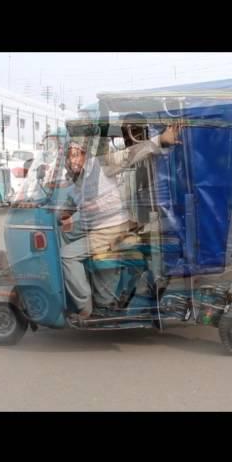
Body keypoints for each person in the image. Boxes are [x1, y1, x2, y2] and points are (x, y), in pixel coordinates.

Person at [60, 116, 182, 320]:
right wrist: (54, 213)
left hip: (111, 227)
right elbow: (70, 203)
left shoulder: (102, 164)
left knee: (66, 256)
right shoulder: (77, 177)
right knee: (63, 236)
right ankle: (86, 289)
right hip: (95, 224)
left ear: (85, 154)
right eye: (69, 156)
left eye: (77, 155)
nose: (73, 160)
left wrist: (160, 140)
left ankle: (84, 305)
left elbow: (130, 154)